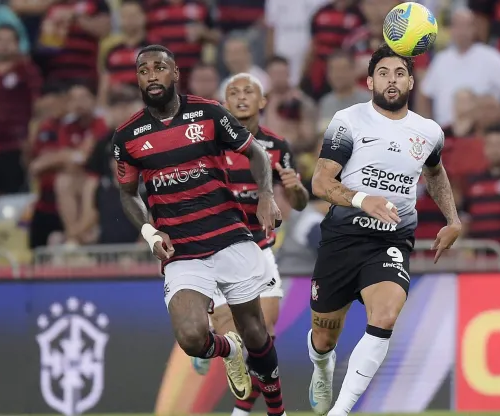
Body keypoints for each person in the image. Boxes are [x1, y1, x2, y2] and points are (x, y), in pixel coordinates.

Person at [112, 44, 287, 413]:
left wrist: (266, 196)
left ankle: (277, 410)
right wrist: (149, 231)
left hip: (229, 237)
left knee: (257, 333)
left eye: (160, 68)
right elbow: (128, 195)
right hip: (182, 250)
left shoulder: (208, 113)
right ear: (139, 80)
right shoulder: (127, 137)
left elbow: (255, 153)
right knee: (192, 338)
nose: (152, 76)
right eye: (144, 71)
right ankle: (228, 349)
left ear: (175, 74)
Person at [307, 44, 462, 416]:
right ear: (370, 81)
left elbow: (435, 172)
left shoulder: (428, 132)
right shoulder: (348, 121)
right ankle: (322, 366)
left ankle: (339, 412)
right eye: (383, 74)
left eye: (398, 74)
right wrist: (363, 200)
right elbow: (320, 182)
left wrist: (453, 220)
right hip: (343, 238)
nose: (390, 81)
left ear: (410, 81)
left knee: (386, 315)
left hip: (391, 240)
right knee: (325, 335)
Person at [190, 72, 309, 416]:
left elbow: (299, 202)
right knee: (239, 342)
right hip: (218, 251)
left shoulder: (276, 146)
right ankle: (213, 341)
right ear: (225, 104)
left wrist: (295, 187)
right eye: (233, 93)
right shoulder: (209, 145)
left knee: (264, 338)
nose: (241, 97)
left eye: (249, 92)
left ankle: (244, 412)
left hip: (259, 251)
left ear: (263, 101)